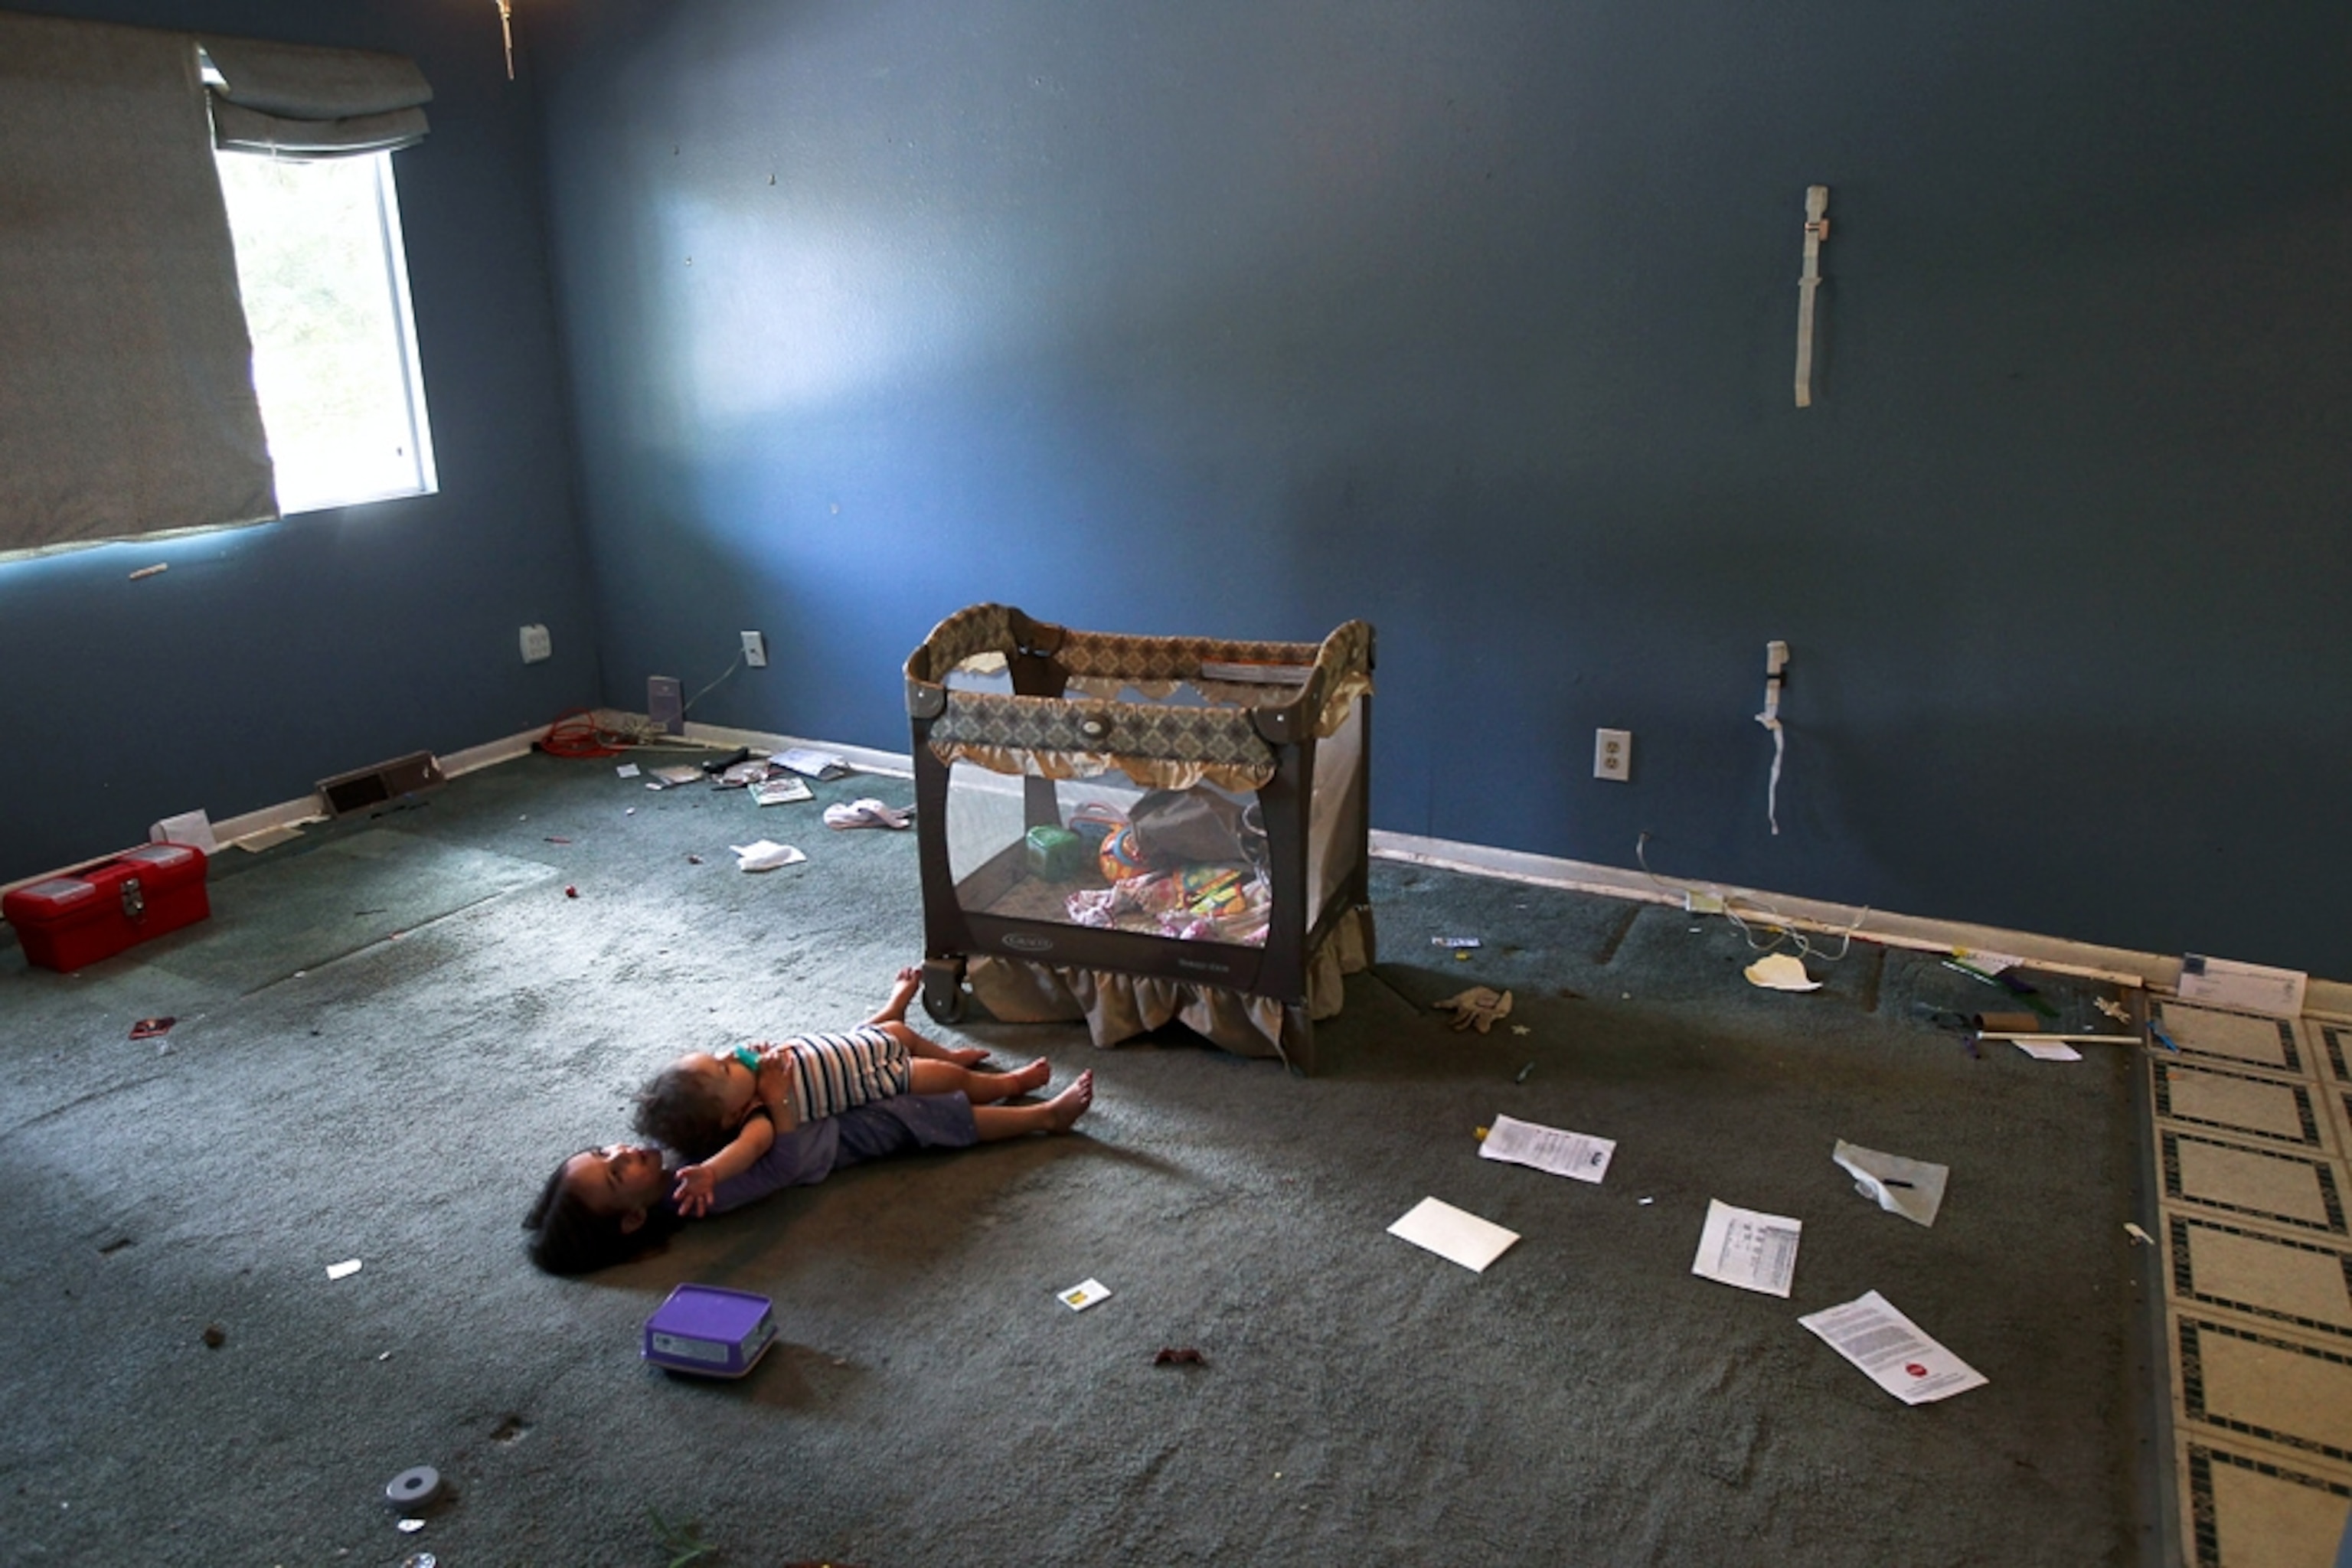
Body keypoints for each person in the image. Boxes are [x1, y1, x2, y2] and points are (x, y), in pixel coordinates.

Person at [524, 1070, 1095, 1276]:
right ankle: (1046, 1117)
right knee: (927, 1115)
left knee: (883, 1065)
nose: (625, 1153)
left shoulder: (661, 1148)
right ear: (632, 1220)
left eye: (606, 1151)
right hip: (833, 1141)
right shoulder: (700, 1197)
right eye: (617, 1174)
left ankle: (994, 1077)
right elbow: (786, 1166)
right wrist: (777, 1105)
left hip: (808, 1107)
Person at [632, 968, 1049, 1211]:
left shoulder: (752, 1069)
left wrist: (759, 1055)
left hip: (856, 1046)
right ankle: (1007, 1083)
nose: (731, 1056)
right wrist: (711, 1173)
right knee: (945, 1080)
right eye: (725, 1069)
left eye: (719, 1056)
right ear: (732, 1115)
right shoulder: (760, 1117)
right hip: (874, 1079)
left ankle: (938, 1045)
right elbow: (745, 1153)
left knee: (900, 1032)